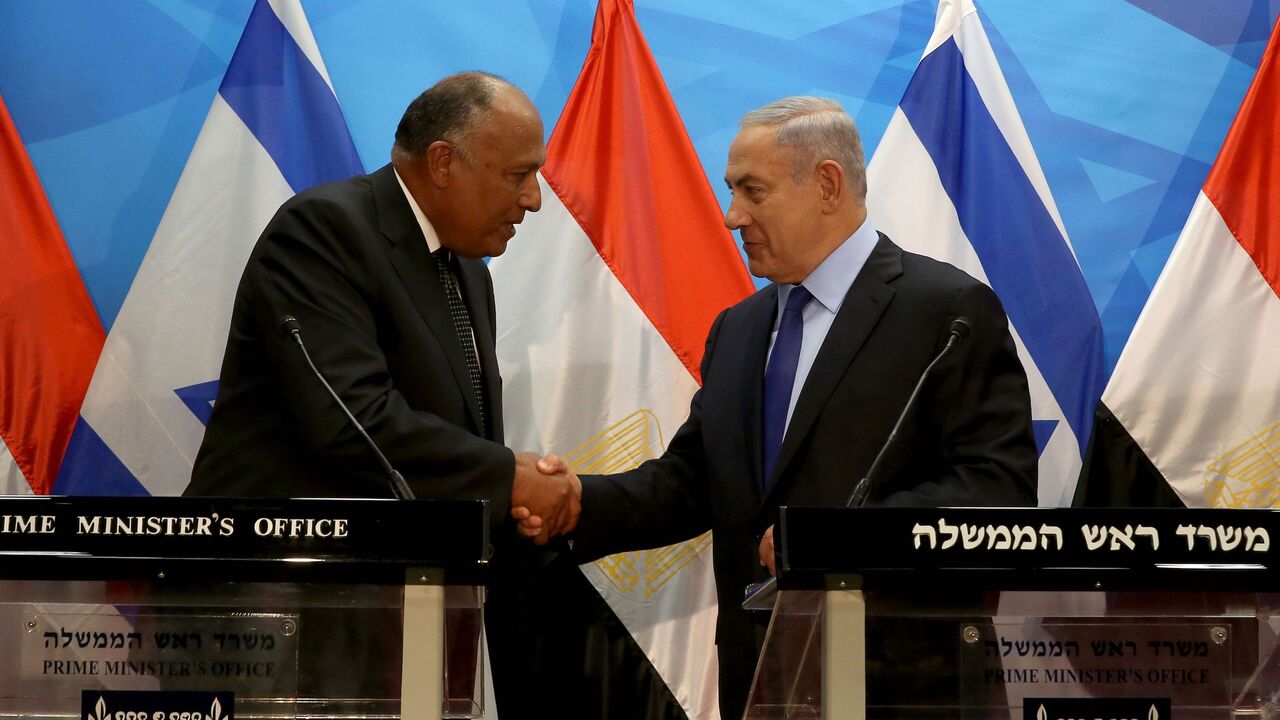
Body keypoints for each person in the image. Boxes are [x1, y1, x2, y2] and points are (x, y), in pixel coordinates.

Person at [532, 96, 1038, 720]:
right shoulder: (739, 329)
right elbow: (694, 478)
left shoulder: (948, 311)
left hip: (907, 684)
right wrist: (578, 502)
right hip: (765, 678)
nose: (730, 215)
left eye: (753, 191)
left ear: (827, 184)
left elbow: (997, 491)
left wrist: (827, 540)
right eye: (732, 191)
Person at [186, 72, 582, 715]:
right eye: (518, 174)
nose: (534, 199)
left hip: (400, 617)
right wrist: (510, 476)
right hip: (281, 611)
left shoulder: (465, 272)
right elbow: (350, 419)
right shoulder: (325, 231)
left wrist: (509, 486)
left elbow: (456, 438)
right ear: (444, 162)